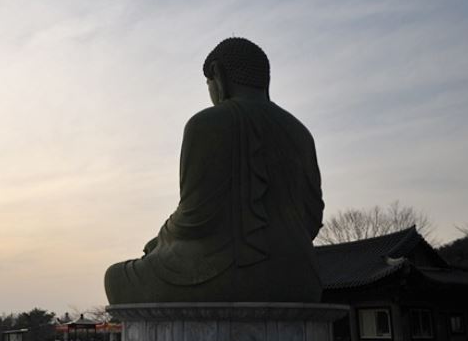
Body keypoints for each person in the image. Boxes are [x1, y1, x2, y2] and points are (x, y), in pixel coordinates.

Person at [104, 37, 324, 304]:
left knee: (115, 276)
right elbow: (312, 218)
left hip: (228, 271)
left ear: (217, 75)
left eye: (208, 83)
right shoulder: (300, 133)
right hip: (300, 276)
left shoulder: (207, 123)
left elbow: (196, 217)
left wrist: (161, 240)